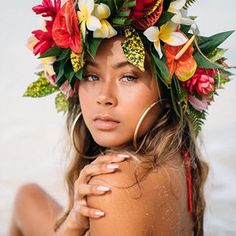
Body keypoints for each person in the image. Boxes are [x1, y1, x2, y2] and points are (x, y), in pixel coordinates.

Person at [8, 0, 233, 235]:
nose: (104, 97)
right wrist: (72, 221)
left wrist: (71, 229)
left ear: (167, 90)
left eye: (128, 77)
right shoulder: (177, 152)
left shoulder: (112, 186)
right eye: (91, 76)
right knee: (28, 196)